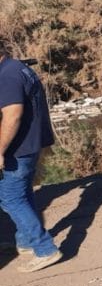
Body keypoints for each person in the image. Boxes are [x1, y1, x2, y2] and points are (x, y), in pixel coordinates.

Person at [0, 44, 61, 272]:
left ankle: (45, 249)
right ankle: (26, 241)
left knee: (10, 198)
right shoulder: (17, 67)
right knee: (23, 192)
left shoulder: (7, 77)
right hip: (31, 143)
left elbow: (13, 116)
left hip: (18, 149)